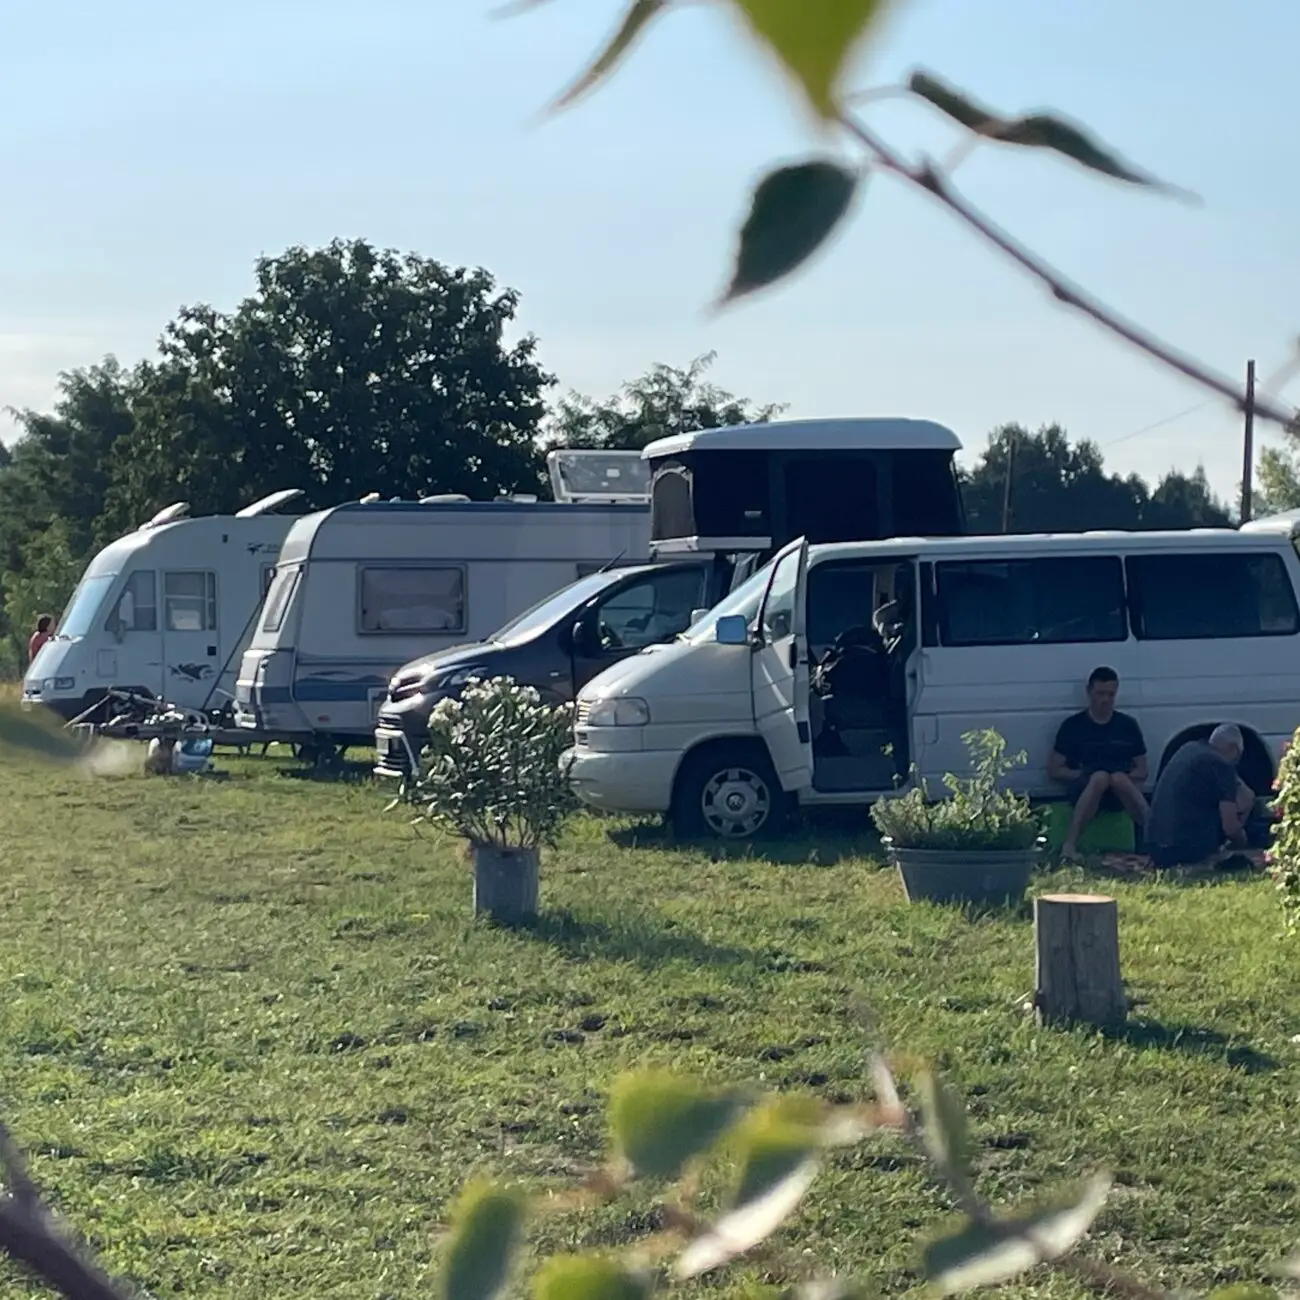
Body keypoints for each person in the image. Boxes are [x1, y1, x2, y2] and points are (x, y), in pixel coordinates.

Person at [1048, 666, 1149, 859]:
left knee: (1117, 778)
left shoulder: (1127, 725)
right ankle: (1069, 845)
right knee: (1100, 778)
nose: (1106, 700)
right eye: (1100, 694)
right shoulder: (1073, 726)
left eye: (1111, 694)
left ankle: (1154, 837)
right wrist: (1084, 774)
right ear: (1089, 692)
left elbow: (1142, 769)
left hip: (1120, 788)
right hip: (1085, 786)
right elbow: (1055, 769)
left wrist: (1120, 778)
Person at [1144, 724, 1256, 868]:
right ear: (1234, 749)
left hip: (1155, 847)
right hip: (1183, 850)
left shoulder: (1189, 749)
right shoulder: (1221, 765)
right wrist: (1242, 840)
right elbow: (1230, 827)